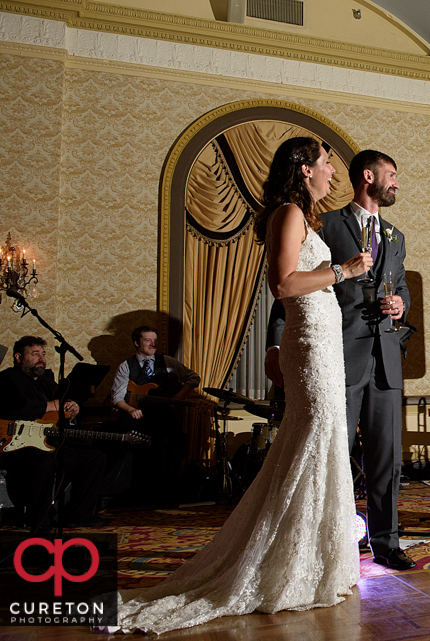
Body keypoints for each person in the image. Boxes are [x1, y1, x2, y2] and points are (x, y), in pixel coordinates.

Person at [111, 137, 371, 634]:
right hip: (311, 345)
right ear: (303, 169)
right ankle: (280, 561)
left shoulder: (300, 215)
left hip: (323, 344)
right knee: (314, 435)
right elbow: (283, 285)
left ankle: (312, 560)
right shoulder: (289, 213)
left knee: (321, 438)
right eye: (327, 164)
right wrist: (342, 270)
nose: (333, 173)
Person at [265, 149, 412, 571]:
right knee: (332, 455)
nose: (397, 183)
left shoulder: (397, 237)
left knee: (387, 457)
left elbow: (401, 286)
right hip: (337, 354)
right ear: (368, 176)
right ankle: (332, 544)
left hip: (386, 357)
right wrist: (275, 344)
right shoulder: (324, 223)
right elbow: (290, 286)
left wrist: (400, 304)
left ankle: (386, 542)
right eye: (392, 174)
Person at [0, 336, 107, 533]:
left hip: (48, 443)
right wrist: (47, 406)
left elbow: (59, 411)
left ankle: (78, 515)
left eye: (43, 354)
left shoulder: (47, 382)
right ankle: (39, 521)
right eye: (35, 354)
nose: (41, 358)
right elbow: (10, 407)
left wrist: (71, 410)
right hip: (19, 448)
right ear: (18, 357)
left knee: (94, 458)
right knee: (44, 463)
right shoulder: (6, 379)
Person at [109, 325, 201, 503]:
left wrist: (178, 397)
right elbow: (117, 399)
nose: (153, 344)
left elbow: (193, 378)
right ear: (137, 343)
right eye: (148, 340)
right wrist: (131, 410)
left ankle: (164, 495)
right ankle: (135, 494)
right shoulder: (125, 366)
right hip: (138, 418)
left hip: (163, 416)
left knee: (169, 447)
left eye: (155, 340)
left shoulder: (167, 362)